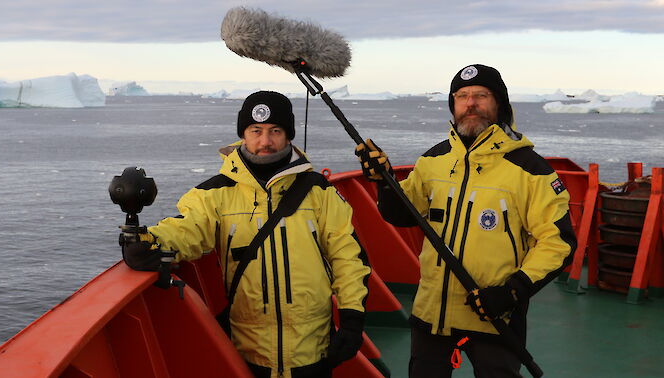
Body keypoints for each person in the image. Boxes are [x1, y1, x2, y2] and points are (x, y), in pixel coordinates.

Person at [125, 90, 372, 378]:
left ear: (288, 135)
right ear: (244, 134)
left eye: (274, 131)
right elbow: (187, 228)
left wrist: (353, 320)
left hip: (313, 348)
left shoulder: (319, 192)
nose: (265, 141)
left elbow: (348, 256)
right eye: (256, 131)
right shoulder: (215, 193)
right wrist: (149, 241)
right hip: (249, 349)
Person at [356, 64, 576, 377]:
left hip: (494, 314)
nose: (470, 103)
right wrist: (383, 179)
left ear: (499, 104)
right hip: (433, 311)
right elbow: (401, 214)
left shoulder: (530, 169)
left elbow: (558, 242)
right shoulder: (434, 160)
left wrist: (512, 292)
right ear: (453, 104)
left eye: (480, 95)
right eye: (462, 96)